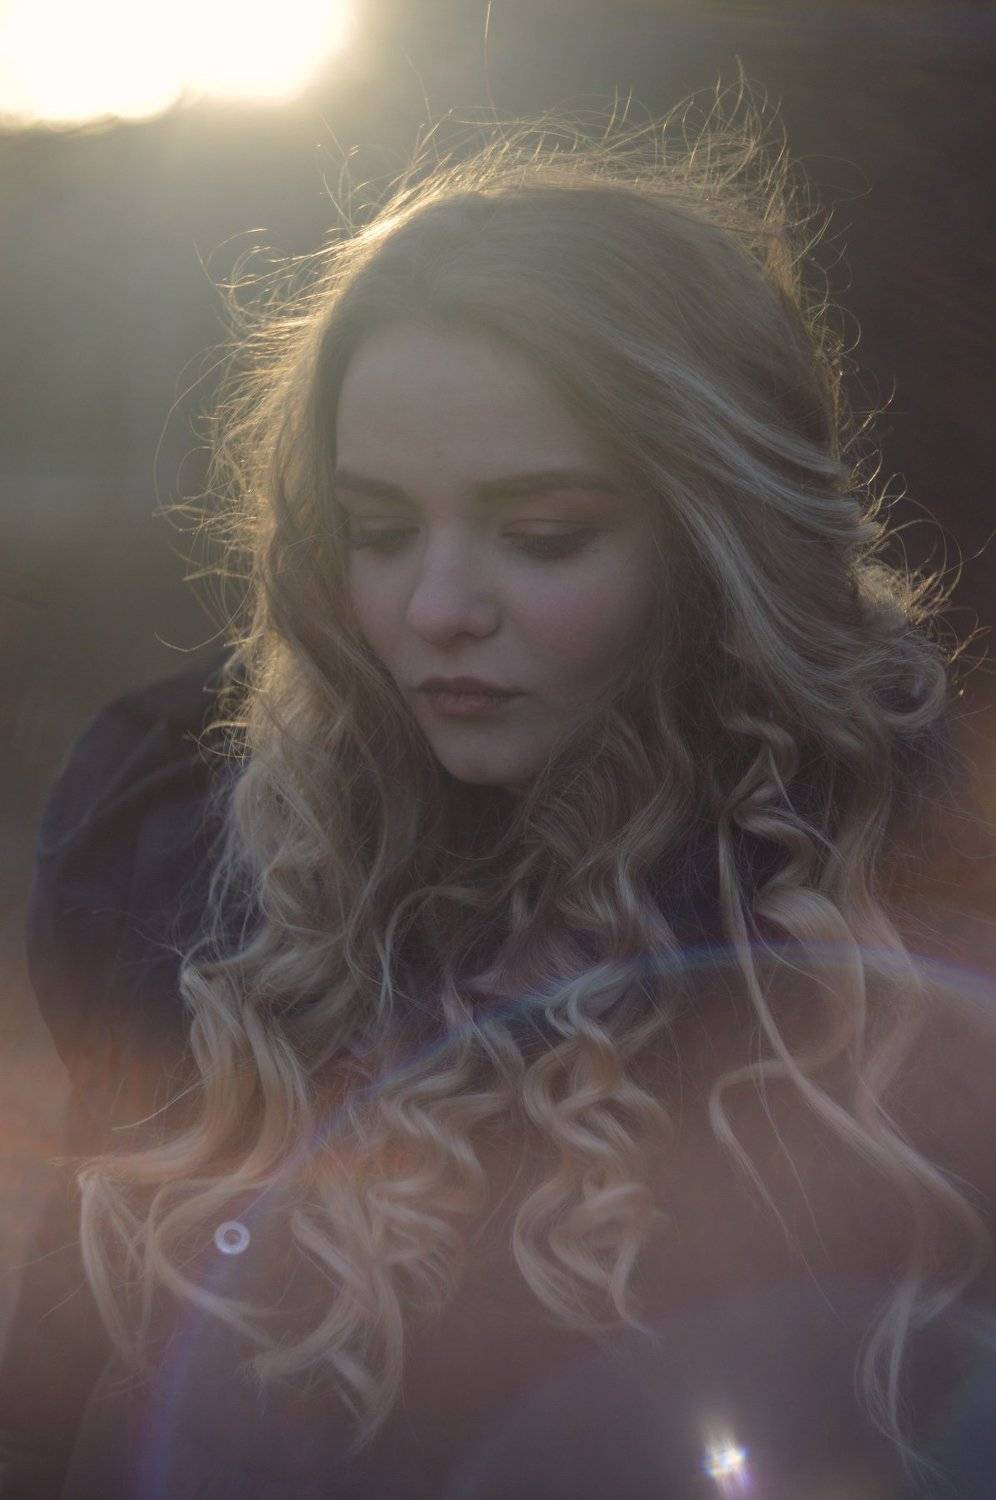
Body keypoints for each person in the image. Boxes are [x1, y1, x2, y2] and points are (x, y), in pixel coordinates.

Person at [3, 83, 995, 1498]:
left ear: (716, 540)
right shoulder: (192, 867)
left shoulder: (899, 943)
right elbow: (58, 1409)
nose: (439, 608)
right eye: (380, 530)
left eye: (543, 534)